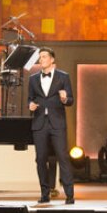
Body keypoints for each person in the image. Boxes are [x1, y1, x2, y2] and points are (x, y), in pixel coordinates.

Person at [28, 47, 75, 204]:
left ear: (52, 59)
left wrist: (64, 99)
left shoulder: (63, 77)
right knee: (40, 159)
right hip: (40, 122)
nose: (41, 60)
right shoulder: (33, 78)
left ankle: (69, 194)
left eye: (44, 57)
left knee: (63, 157)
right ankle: (44, 193)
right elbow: (30, 99)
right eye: (40, 57)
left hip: (57, 122)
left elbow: (70, 100)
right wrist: (31, 105)